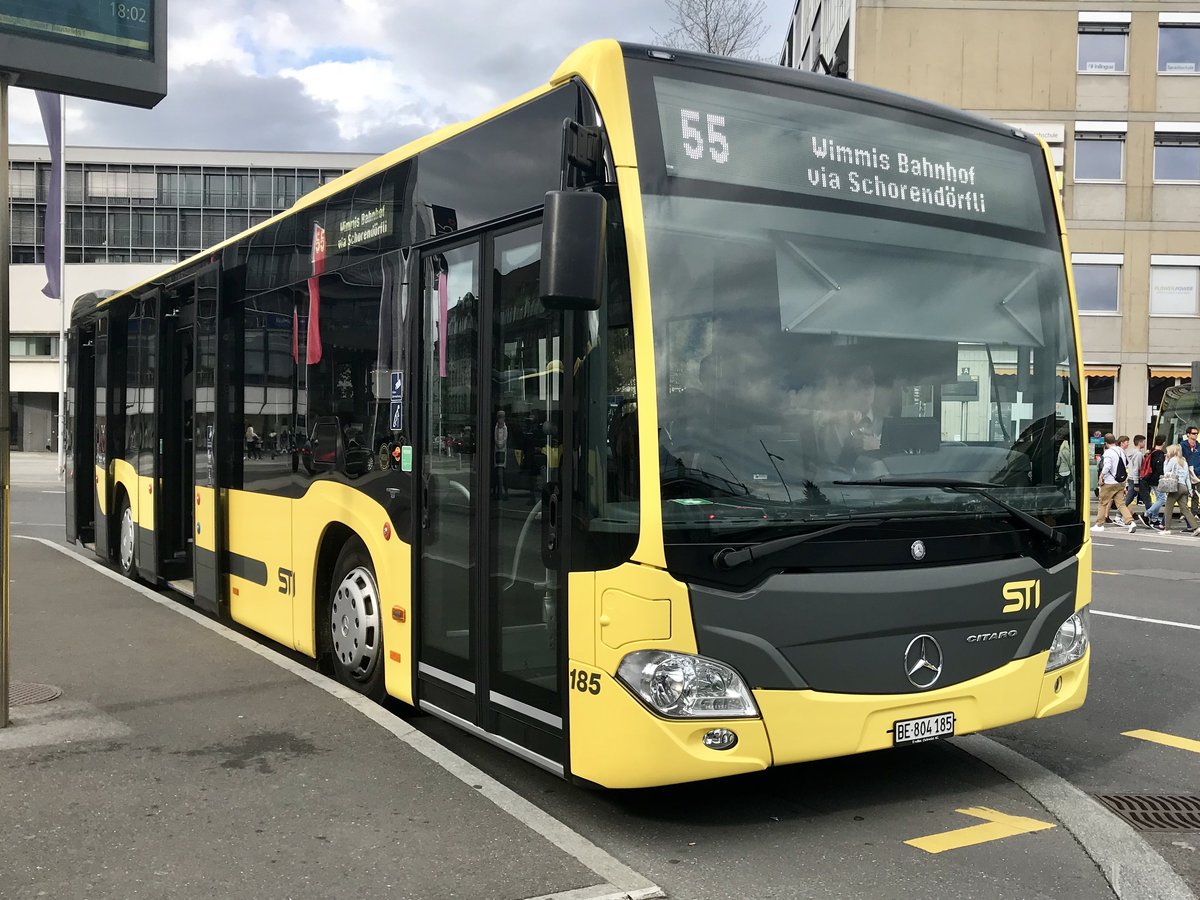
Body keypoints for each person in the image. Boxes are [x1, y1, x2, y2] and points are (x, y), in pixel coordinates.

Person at [1092, 433, 1136, 533]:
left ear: (1106, 443)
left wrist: (1101, 476)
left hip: (1109, 482)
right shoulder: (1121, 451)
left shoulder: (1108, 453)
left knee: (1103, 503)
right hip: (1120, 482)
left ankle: (1099, 524)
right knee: (1121, 504)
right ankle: (1130, 522)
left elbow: (1107, 466)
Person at [1156, 443, 1200, 535]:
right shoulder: (1184, 461)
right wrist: (1190, 490)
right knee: (1185, 509)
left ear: (1172, 451)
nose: (1167, 453)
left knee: (1168, 507)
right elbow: (1187, 477)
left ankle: (1167, 529)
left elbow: (1166, 471)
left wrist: (1165, 461)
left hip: (1176, 486)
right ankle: (1196, 527)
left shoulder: (1173, 460)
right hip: (1184, 487)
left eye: (1168, 451)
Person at [1140, 436, 1167, 528]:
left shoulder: (1151, 451)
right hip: (1157, 479)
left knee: (1158, 499)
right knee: (1162, 499)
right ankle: (1146, 514)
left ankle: (1154, 519)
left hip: (1150, 478)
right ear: (1163, 443)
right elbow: (1159, 468)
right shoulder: (1159, 454)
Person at [1122, 435, 1146, 517]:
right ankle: (1119, 515)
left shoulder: (1131, 453)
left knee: (1130, 498)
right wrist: (1136, 483)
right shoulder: (1138, 454)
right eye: (1143, 442)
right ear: (1140, 443)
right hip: (1136, 479)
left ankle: (1119, 515)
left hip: (1131, 477)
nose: (1144, 443)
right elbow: (1137, 469)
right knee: (1130, 498)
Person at [1182, 425, 1200, 515]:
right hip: (1185, 472)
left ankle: (1194, 512)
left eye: (1197, 433)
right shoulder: (1182, 445)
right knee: (1184, 492)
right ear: (1188, 434)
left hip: (1196, 472)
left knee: (1196, 493)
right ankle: (1184, 513)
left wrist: (1197, 469)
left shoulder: (1198, 446)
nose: (1196, 435)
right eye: (1193, 433)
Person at [492, 409, 509, 499]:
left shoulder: (505, 428)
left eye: (502, 418)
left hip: (502, 452)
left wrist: (500, 444)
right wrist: (498, 443)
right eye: (499, 418)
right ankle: (496, 491)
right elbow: (495, 438)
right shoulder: (496, 428)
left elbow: (505, 439)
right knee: (497, 474)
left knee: (502, 474)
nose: (500, 420)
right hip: (497, 452)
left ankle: (504, 492)